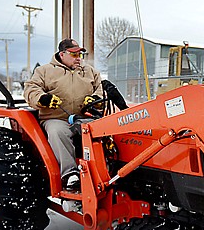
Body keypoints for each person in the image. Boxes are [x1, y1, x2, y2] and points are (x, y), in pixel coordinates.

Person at [23, 38, 128, 190]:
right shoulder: (44, 71)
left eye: (80, 54)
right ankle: (70, 174)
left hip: (84, 116)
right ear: (62, 54)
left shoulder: (90, 72)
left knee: (104, 131)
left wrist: (95, 100)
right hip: (55, 117)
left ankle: (108, 171)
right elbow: (31, 89)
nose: (78, 58)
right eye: (74, 54)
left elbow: (99, 89)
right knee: (58, 132)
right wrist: (43, 98)